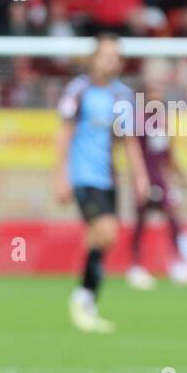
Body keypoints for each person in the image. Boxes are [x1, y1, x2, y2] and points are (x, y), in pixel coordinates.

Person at [54, 35, 149, 332]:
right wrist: (61, 176)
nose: (110, 60)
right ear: (94, 58)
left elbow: (129, 140)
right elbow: (64, 135)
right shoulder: (79, 91)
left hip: (109, 177)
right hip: (83, 175)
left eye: (114, 56)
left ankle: (87, 299)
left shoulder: (122, 96)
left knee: (105, 237)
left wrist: (141, 175)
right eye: (104, 55)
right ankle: (83, 298)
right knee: (105, 231)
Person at [127, 59, 187, 288]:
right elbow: (133, 149)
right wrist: (139, 177)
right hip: (146, 178)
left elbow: (167, 153)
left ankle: (177, 264)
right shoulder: (139, 119)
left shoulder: (161, 120)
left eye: (160, 91)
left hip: (161, 179)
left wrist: (178, 177)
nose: (158, 95)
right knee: (141, 220)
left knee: (172, 218)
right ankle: (136, 267)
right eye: (154, 91)